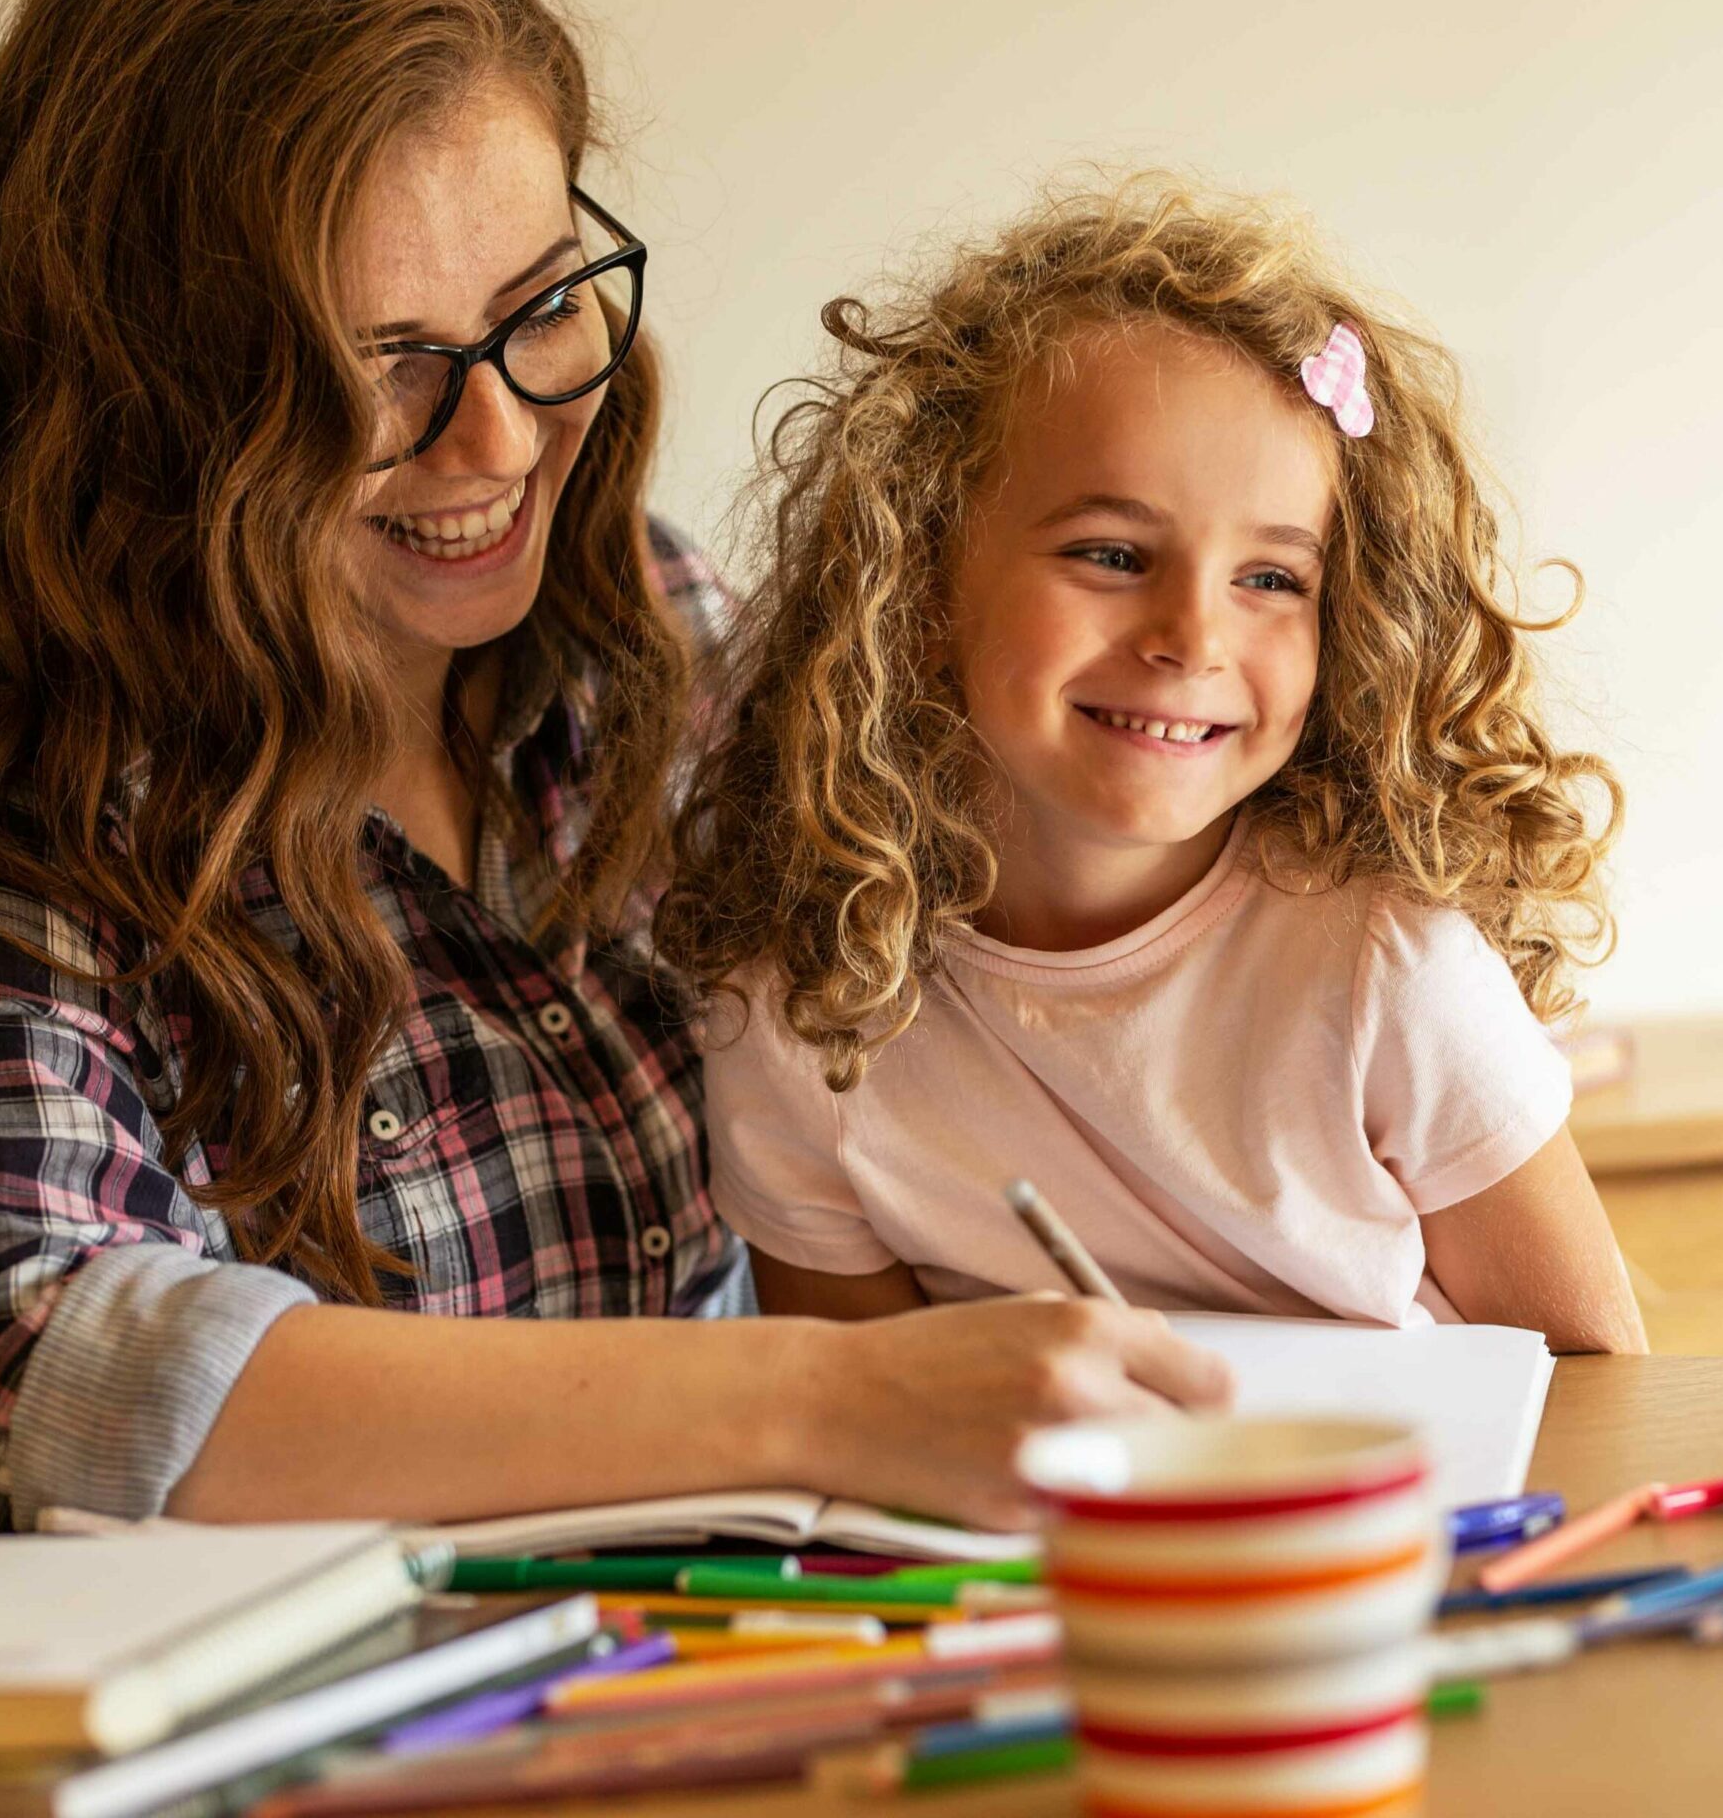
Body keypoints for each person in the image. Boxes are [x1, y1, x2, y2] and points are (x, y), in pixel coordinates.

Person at [0, 0, 1230, 1539]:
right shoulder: (26, 781)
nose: (493, 441)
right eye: (381, 362)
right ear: (154, 383)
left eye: (544, 308)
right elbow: (8, 1359)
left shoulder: (656, 635)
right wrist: (827, 1402)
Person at [664, 174, 1648, 1352]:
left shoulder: (1388, 967)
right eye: (1114, 553)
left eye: (1273, 578)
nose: (1191, 636)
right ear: (919, 582)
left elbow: (1596, 1384)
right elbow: (850, 1439)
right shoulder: (796, 1019)